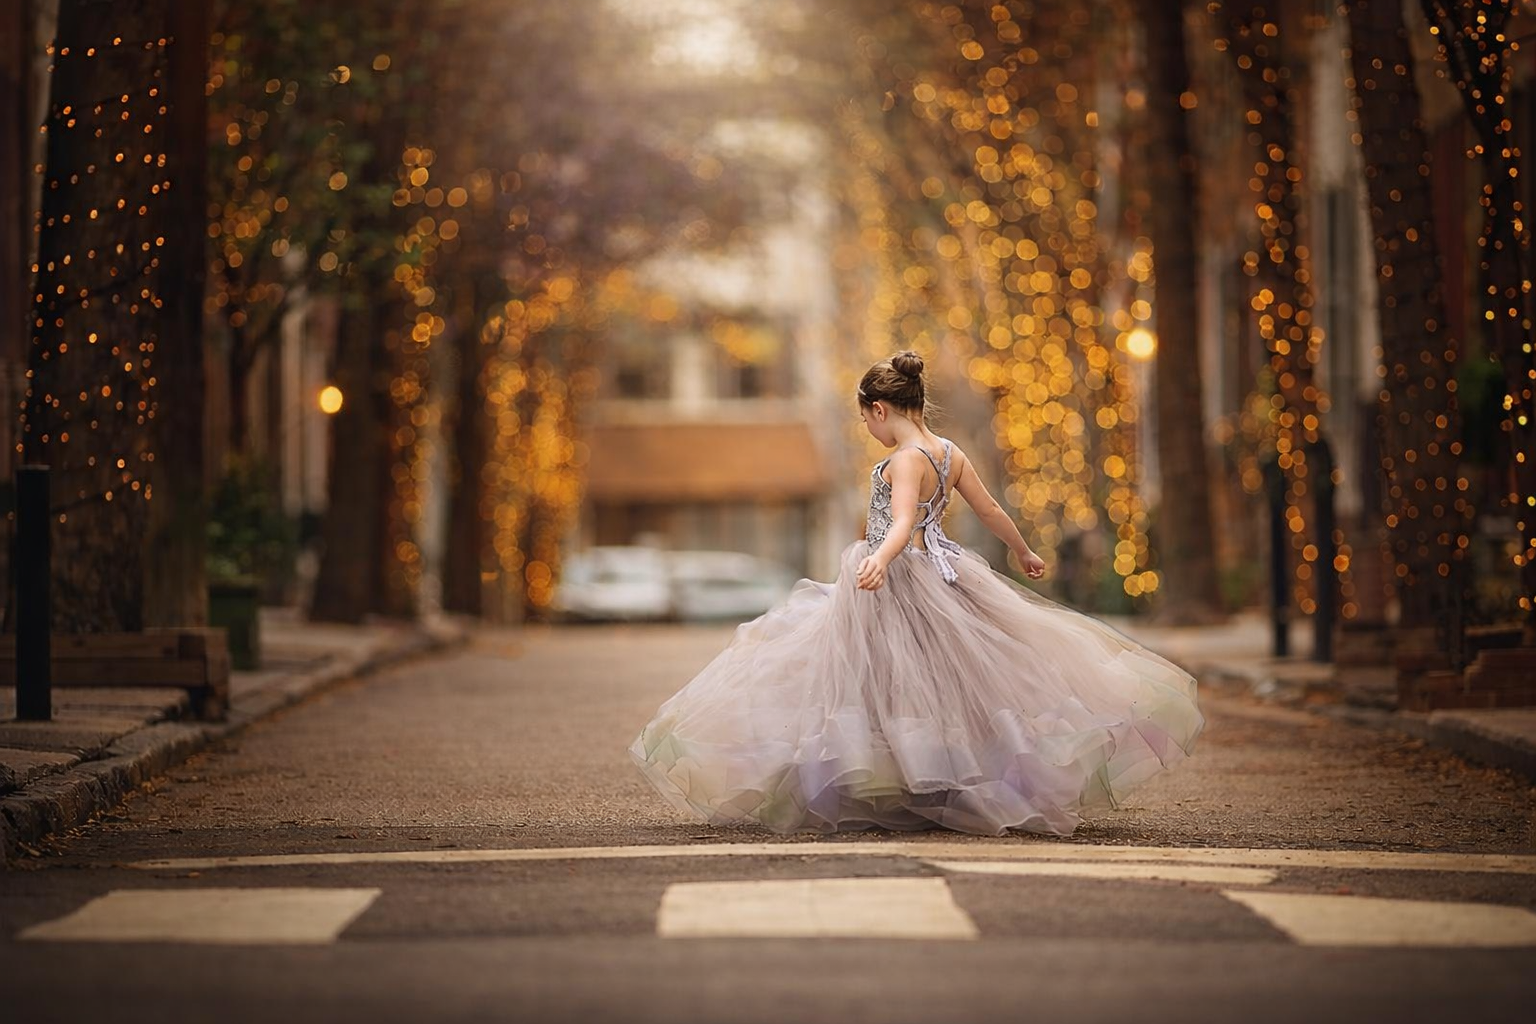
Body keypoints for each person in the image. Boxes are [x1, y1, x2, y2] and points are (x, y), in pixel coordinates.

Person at [628, 350, 1204, 836]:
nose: (870, 431)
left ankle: (901, 780)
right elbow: (990, 508)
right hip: (946, 572)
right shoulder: (951, 452)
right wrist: (1021, 549)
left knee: (879, 678)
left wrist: (877, 557)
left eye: (866, 421)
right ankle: (943, 775)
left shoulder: (901, 460)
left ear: (879, 410)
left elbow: (901, 522)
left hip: (898, 578)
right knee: (952, 680)